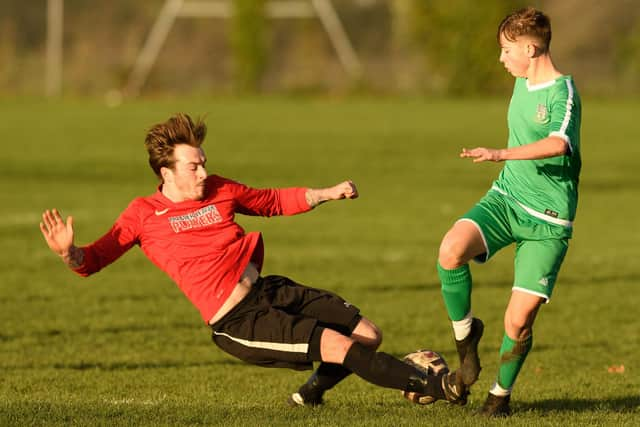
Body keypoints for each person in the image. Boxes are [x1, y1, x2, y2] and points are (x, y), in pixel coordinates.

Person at [40, 113, 461, 407]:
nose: (203, 173)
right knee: (340, 345)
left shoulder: (220, 188)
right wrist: (68, 253)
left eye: (204, 163)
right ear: (166, 173)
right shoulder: (143, 214)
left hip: (268, 288)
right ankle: (439, 386)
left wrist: (327, 193)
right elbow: (92, 259)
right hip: (238, 321)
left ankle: (310, 394)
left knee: (368, 334)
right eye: (193, 167)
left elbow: (271, 200)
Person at [436, 7, 581, 417]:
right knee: (450, 250)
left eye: (506, 50)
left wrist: (501, 153)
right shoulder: (521, 82)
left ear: (531, 48)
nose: (501, 58)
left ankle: (500, 396)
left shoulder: (562, 92)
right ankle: (467, 346)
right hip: (506, 199)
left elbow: (559, 144)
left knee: (518, 321)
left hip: (548, 220)